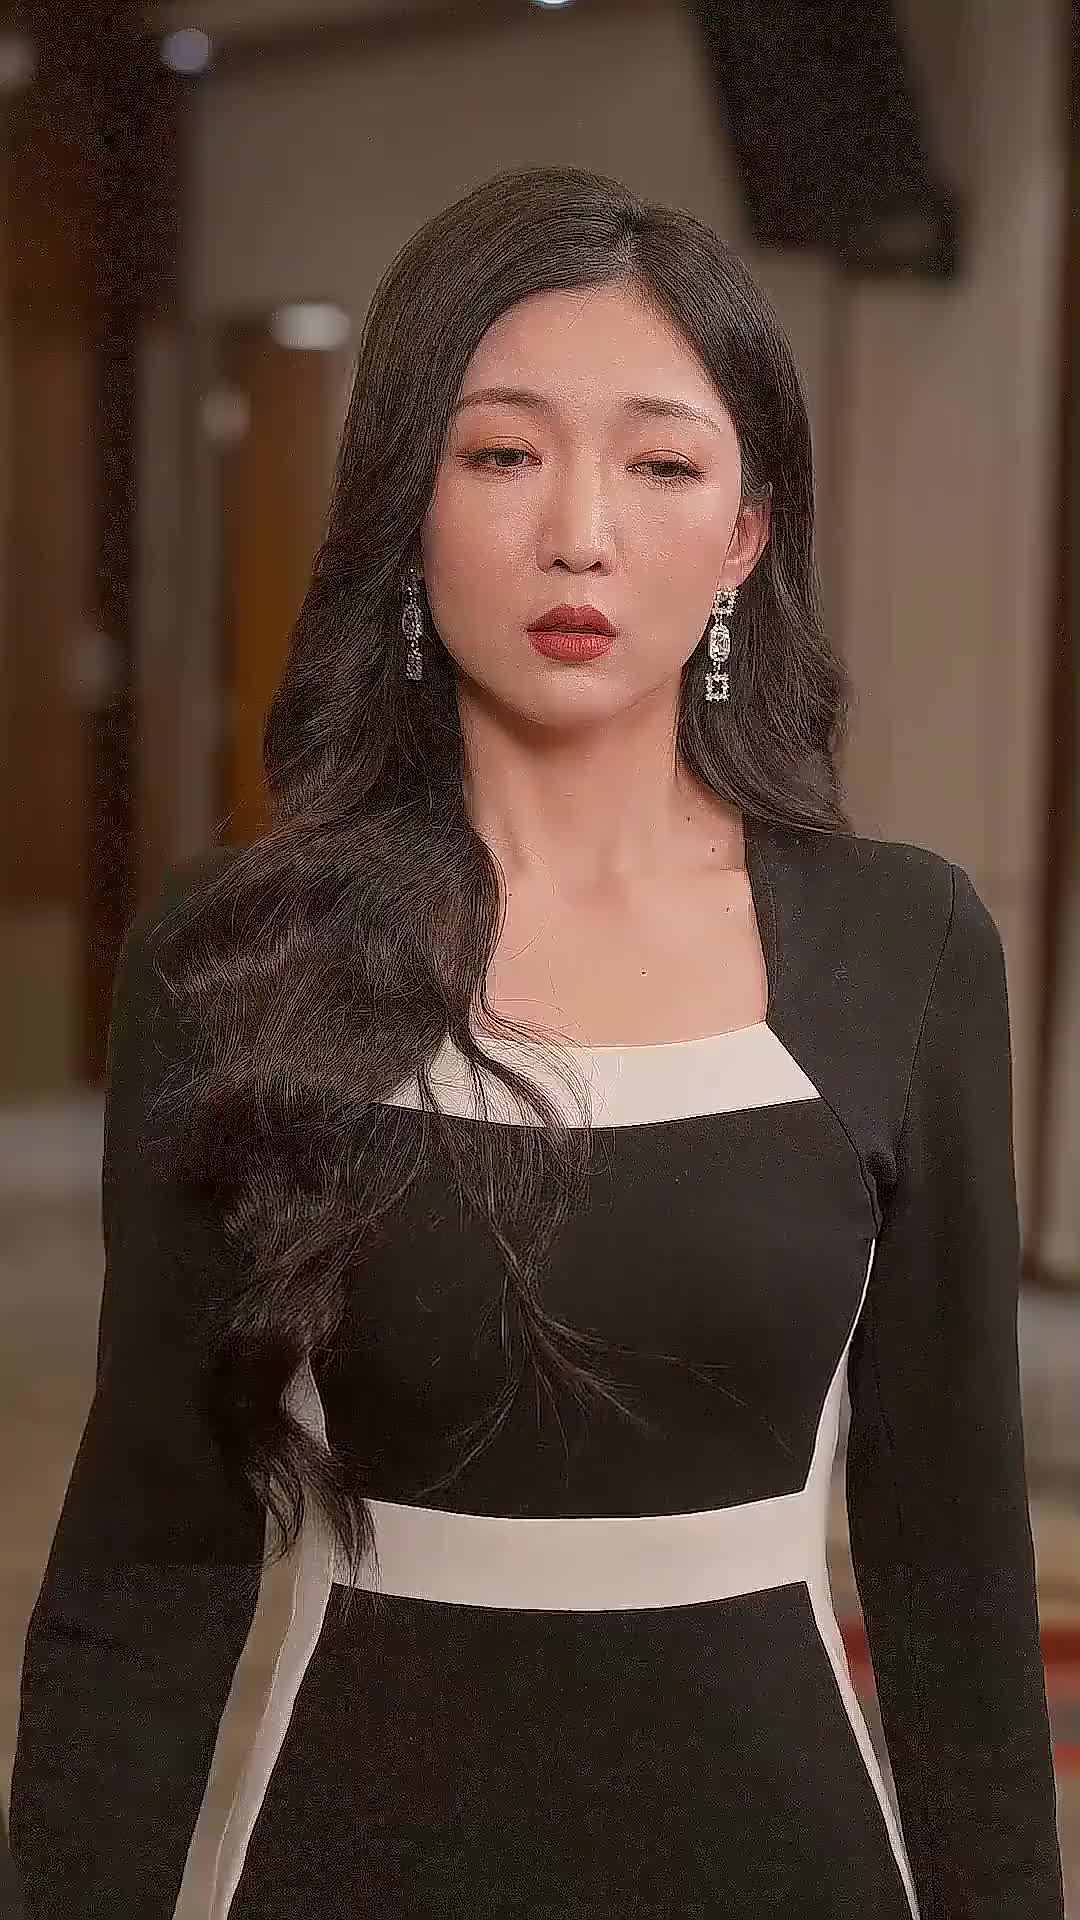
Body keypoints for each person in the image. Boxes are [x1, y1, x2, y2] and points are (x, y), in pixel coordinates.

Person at [9, 164, 1065, 1920]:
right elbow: (148, 1560)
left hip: (785, 1858)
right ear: (406, 504)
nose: (581, 532)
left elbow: (951, 1562)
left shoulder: (908, 945)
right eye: (502, 455)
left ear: (746, 538)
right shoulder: (237, 956)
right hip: (350, 1856)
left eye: (662, 466)